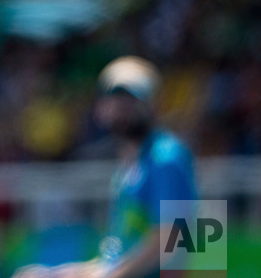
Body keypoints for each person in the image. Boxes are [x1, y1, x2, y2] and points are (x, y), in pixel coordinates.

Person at [14, 56, 198, 278]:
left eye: (132, 99)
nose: (123, 108)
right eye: (115, 99)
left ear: (154, 104)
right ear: (100, 108)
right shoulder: (129, 167)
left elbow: (172, 242)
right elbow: (114, 260)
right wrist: (59, 274)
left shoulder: (167, 158)